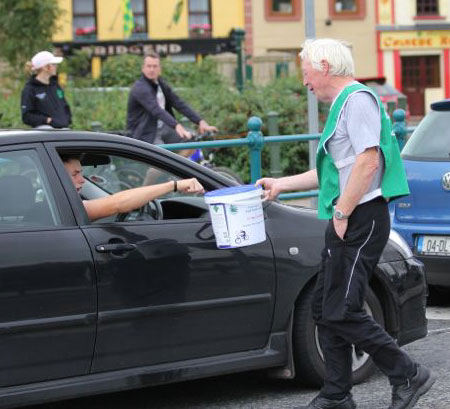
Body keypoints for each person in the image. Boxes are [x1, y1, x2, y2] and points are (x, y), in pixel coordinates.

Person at [256, 38, 435, 409]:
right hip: (350, 216)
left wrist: (341, 212)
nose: (305, 83)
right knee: (324, 307)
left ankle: (408, 374)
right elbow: (342, 171)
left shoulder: (356, 100)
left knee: (342, 309)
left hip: (359, 217)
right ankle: (337, 395)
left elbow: (369, 163)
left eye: (306, 73)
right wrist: (281, 184)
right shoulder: (346, 103)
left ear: (324, 66)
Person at [62, 154, 204, 221]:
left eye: (81, 173)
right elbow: (117, 203)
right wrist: (174, 185)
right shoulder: (65, 208)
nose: (82, 180)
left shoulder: (55, 206)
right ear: (56, 174)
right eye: (74, 174)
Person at [126, 52, 217, 157]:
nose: (151, 69)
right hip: (145, 132)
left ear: (160, 69)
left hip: (163, 128)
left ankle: (175, 171)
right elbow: (156, 110)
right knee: (163, 159)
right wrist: (176, 125)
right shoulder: (140, 88)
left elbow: (178, 103)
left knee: (192, 142)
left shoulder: (160, 84)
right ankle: (157, 172)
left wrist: (200, 122)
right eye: (149, 66)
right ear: (143, 68)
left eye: (155, 66)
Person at [21, 51, 71, 129]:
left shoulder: (55, 86)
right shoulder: (30, 89)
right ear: (45, 67)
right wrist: (47, 120)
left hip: (64, 131)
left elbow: (65, 106)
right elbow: (27, 116)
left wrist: (67, 120)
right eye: (53, 64)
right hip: (46, 135)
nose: (56, 66)